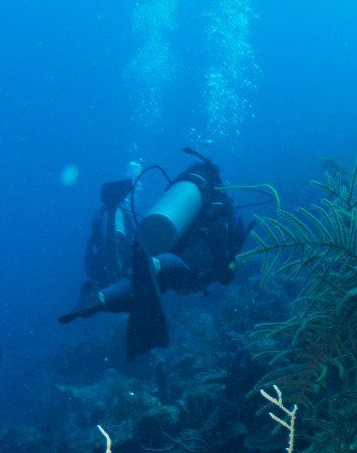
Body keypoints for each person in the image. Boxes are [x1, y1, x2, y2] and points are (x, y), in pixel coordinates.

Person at [59, 150, 250, 359]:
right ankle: (153, 267)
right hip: (194, 261)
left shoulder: (187, 200)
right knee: (168, 273)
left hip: (167, 252)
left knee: (146, 283)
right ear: (217, 181)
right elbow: (232, 243)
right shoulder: (221, 201)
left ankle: (98, 297)